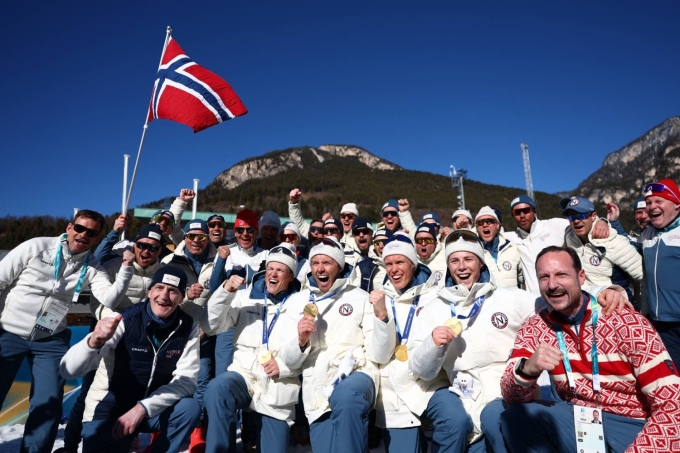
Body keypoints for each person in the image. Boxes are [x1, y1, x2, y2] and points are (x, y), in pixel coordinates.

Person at [500, 246, 680, 453]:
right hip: (580, 421)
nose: (552, 285)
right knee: (515, 417)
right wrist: (525, 370)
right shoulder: (536, 327)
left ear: (581, 276)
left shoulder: (625, 321)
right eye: (544, 277)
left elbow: (672, 404)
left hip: (632, 424)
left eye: (561, 274)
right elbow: (511, 397)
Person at [0, 209, 134, 453]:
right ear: (69, 227)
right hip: (8, 332)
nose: (83, 235)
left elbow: (110, 298)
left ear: (96, 238)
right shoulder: (36, 246)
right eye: (80, 228)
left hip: (50, 340)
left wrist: (126, 269)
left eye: (91, 233)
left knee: (48, 405)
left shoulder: (93, 267)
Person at [59, 266, 201, 453]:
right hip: (109, 410)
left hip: (149, 410)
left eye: (173, 291)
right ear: (149, 292)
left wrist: (142, 408)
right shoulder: (123, 319)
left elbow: (187, 381)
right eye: (159, 288)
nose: (164, 296)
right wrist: (93, 342)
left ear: (182, 297)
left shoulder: (188, 326)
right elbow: (68, 371)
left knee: (188, 408)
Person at [278, 237, 393, 452]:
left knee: (346, 397)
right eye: (315, 263)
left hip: (356, 375)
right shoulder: (297, 302)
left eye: (327, 263)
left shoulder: (359, 297)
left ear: (339, 267)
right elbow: (290, 361)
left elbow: (380, 355)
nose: (320, 268)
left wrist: (382, 317)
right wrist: (301, 340)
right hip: (317, 388)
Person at [59, 224, 166, 453]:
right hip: (108, 333)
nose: (146, 251)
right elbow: (97, 302)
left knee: (133, 392)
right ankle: (70, 445)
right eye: (142, 245)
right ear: (134, 245)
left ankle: (128, 440)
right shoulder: (114, 265)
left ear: (160, 251)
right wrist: (116, 324)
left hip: (140, 342)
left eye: (153, 248)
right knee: (88, 393)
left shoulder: (162, 271)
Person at [373, 234, 472, 452]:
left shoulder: (435, 296)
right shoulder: (379, 298)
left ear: (413, 264)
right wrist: (381, 317)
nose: (394, 269)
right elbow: (380, 356)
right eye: (388, 264)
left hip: (431, 383)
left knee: (457, 421)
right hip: (392, 389)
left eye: (400, 262)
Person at [200, 244, 302, 453]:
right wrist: (224, 292)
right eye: (270, 269)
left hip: (277, 385)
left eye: (280, 270)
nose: (273, 274)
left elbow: (309, 348)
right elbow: (211, 325)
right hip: (243, 375)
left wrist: (283, 367)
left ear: (291, 276)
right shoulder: (245, 296)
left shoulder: (301, 302)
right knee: (217, 389)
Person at [161, 219, 217, 451]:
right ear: (184, 238)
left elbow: (225, 299)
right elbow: (159, 299)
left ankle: (198, 430)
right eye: (192, 236)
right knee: (167, 380)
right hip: (175, 332)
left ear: (207, 238)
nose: (196, 241)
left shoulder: (219, 261)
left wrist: (208, 328)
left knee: (202, 380)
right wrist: (184, 295)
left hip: (204, 332)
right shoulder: (169, 260)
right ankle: (161, 430)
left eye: (201, 237)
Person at [505, 194, 610, 295]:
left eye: (526, 210)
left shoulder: (554, 225)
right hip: (535, 304)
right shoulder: (513, 238)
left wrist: (601, 221)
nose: (522, 215)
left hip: (562, 296)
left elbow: (582, 222)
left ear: (534, 212)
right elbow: (492, 232)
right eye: (517, 212)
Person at [561, 196, 643, 303]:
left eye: (581, 215)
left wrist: (645, 309)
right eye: (571, 217)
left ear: (593, 216)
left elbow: (643, 276)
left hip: (616, 307)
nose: (576, 221)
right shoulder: (569, 238)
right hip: (587, 307)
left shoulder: (614, 242)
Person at [639, 179, 680, 367]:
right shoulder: (647, 235)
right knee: (672, 378)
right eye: (648, 203)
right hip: (661, 323)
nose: (651, 207)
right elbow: (645, 276)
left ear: (677, 204)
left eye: (659, 201)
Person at [96, 189, 196, 260]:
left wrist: (181, 201)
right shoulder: (126, 245)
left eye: (168, 222)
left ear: (171, 230)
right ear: (150, 223)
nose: (163, 223)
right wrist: (114, 232)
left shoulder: (169, 257)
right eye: (159, 218)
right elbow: (98, 260)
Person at [475, 206, 523, 288]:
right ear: (476, 228)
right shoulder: (474, 252)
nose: (485, 225)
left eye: (489, 221)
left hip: (512, 300)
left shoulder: (511, 248)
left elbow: (523, 279)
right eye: (480, 223)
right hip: (488, 300)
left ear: (497, 225)